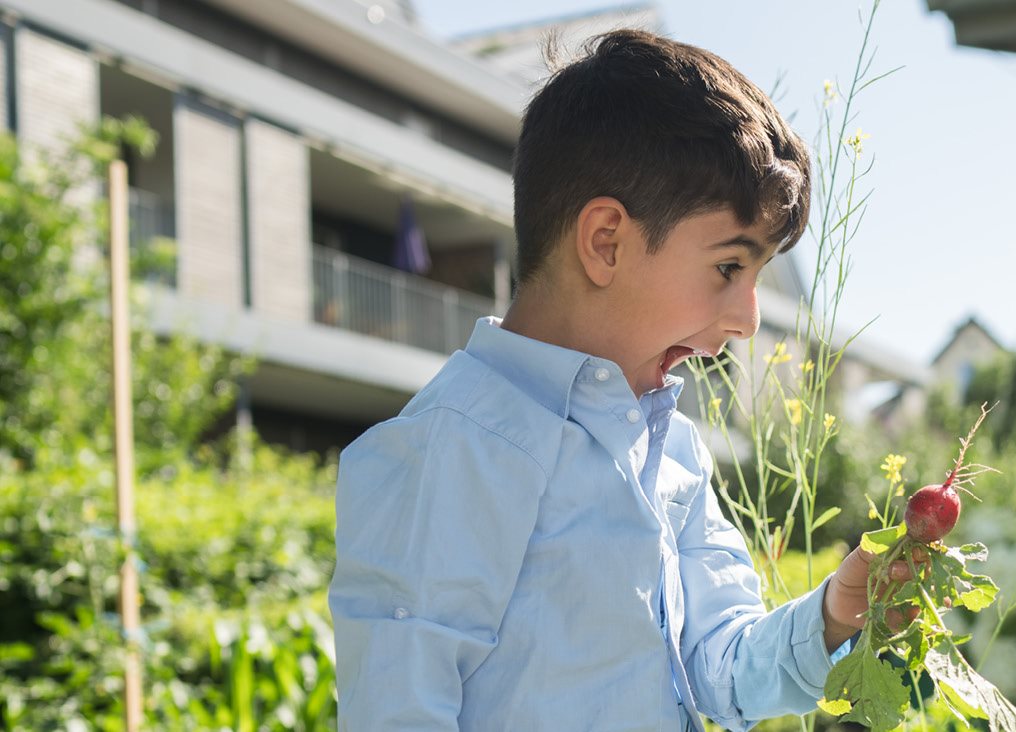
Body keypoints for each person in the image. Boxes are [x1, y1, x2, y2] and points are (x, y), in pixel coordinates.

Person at [328, 29, 908, 731]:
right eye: (730, 267)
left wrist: (831, 617)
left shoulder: (675, 453)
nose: (747, 321)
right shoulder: (451, 451)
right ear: (606, 241)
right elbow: (400, 710)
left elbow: (719, 672)